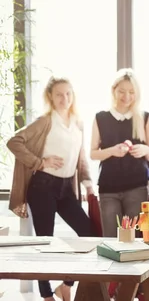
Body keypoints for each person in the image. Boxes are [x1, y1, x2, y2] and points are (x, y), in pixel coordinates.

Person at [7, 76, 94, 301]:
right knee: (45, 242)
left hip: (66, 189)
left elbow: (81, 158)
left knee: (88, 233)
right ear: (51, 98)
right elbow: (14, 142)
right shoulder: (45, 121)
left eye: (68, 93)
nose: (64, 98)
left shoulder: (78, 123)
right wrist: (40, 162)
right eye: (59, 94)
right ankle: (46, 296)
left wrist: (88, 183)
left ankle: (66, 285)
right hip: (43, 186)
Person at [90, 68, 149, 238]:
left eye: (132, 92)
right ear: (114, 91)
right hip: (108, 188)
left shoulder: (145, 117)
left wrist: (145, 150)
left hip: (137, 187)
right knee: (111, 238)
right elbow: (93, 154)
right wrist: (112, 151)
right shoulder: (100, 118)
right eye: (122, 91)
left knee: (137, 239)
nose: (127, 96)